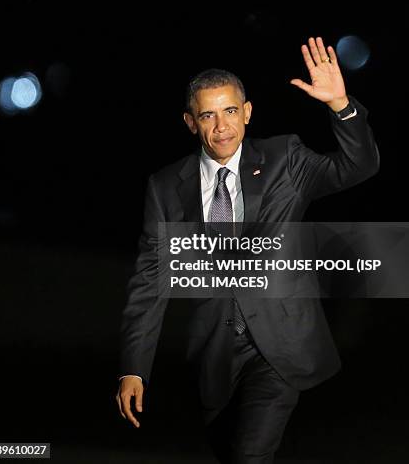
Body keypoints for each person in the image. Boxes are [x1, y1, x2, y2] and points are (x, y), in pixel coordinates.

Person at [116, 36, 380, 463]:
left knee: (250, 456)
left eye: (231, 111)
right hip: (213, 355)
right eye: (208, 115)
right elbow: (150, 281)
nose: (221, 126)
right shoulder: (165, 187)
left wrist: (341, 105)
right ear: (190, 122)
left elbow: (358, 167)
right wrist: (133, 367)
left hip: (280, 346)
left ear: (248, 112)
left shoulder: (285, 159)